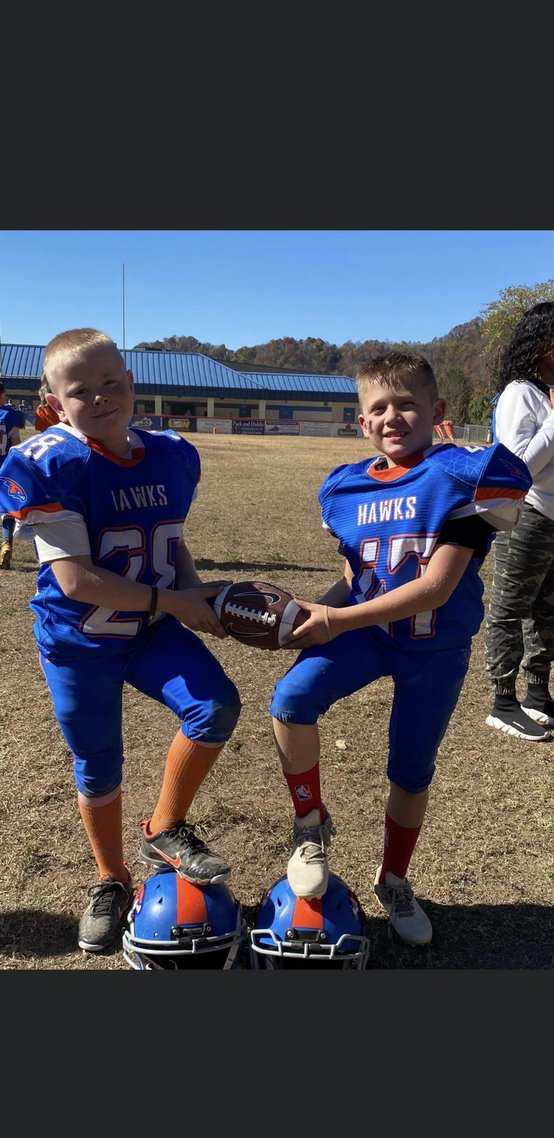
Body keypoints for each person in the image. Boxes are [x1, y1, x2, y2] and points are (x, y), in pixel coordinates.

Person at [269, 351, 531, 946]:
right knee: (290, 700)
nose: (392, 416)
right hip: (367, 633)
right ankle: (310, 822)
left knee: (410, 774)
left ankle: (394, 877)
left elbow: (434, 588)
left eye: (407, 403)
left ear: (436, 411)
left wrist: (336, 617)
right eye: (378, 408)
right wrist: (309, 614)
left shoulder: (460, 476)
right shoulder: (346, 486)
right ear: (362, 422)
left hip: (433, 647)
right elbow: (355, 573)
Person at [0, 328, 241, 953]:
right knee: (99, 763)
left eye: (112, 383)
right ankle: (110, 878)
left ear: (131, 385)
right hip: (79, 641)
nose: (101, 397)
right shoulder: (46, 462)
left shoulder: (172, 453)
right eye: (81, 390)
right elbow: (76, 579)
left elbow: (170, 538)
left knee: (214, 705)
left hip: (150, 630)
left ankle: (164, 827)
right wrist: (178, 600)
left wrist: (193, 593)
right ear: (52, 402)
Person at [485, 301, 554, 740]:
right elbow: (518, 466)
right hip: (527, 515)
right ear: (542, 340)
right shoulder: (519, 393)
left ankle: (539, 697)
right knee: (510, 609)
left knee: (545, 612)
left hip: (552, 519)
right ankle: (502, 702)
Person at [0, 382, 27, 568]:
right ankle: (5, 542)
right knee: (6, 507)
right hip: (4, 465)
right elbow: (16, 443)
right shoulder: (10, 415)